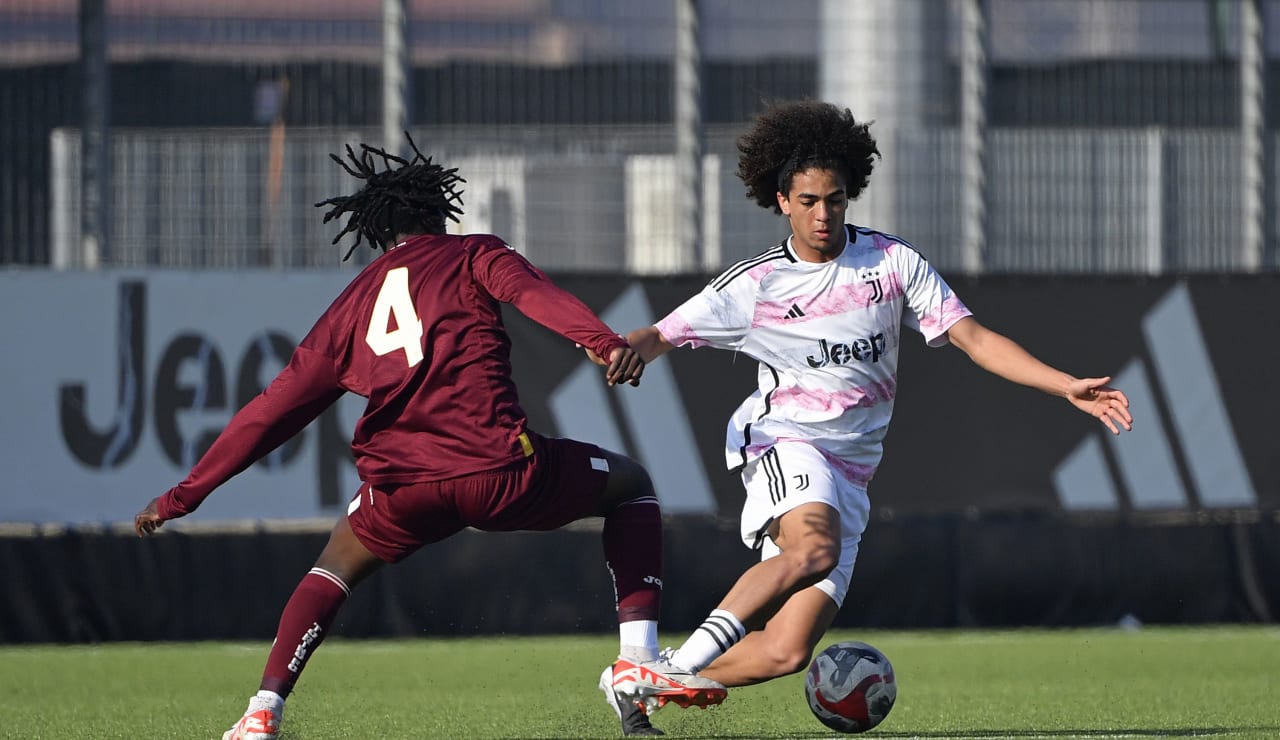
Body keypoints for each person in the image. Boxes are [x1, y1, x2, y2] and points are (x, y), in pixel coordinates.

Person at [133, 135, 724, 740]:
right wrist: (603, 342)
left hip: (402, 487)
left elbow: (271, 412)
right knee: (631, 488)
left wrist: (183, 495)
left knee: (335, 563)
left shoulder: (350, 306)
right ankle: (636, 664)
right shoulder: (472, 254)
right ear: (440, 214)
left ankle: (263, 709)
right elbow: (536, 297)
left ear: (376, 236)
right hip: (499, 473)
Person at [602, 100, 1135, 712]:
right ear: (781, 202)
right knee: (812, 551)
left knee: (787, 651)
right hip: (787, 440)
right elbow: (661, 334)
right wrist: (621, 349)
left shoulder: (890, 261)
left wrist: (1064, 384)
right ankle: (660, 672)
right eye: (808, 201)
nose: (823, 214)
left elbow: (975, 338)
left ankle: (648, 682)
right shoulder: (756, 285)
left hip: (853, 471)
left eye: (834, 199)